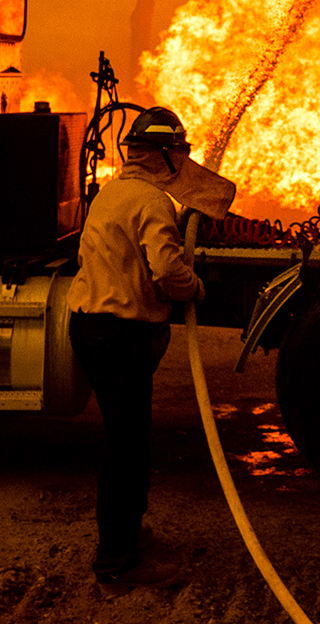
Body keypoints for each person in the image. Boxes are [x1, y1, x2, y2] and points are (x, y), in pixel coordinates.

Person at [67, 105, 235, 591]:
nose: (181, 164)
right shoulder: (152, 202)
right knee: (125, 448)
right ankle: (117, 562)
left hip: (91, 327)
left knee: (128, 438)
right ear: (162, 155)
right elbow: (167, 269)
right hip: (119, 334)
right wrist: (194, 287)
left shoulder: (110, 193)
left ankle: (128, 533)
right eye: (178, 154)